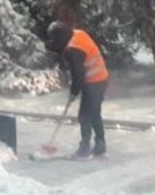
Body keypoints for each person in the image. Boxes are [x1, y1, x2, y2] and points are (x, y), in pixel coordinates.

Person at [45, 21, 109, 157]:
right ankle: (100, 144)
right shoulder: (78, 34)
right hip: (100, 78)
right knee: (94, 113)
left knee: (85, 115)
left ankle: (85, 148)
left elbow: (78, 74)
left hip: (94, 82)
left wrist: (74, 92)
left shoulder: (73, 50)